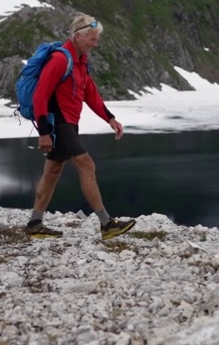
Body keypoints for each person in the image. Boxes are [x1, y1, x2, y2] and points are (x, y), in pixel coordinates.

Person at [26, 14, 136, 240]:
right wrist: (44, 133)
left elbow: (90, 94)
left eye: (96, 39)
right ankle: (107, 224)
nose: (96, 44)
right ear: (78, 36)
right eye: (92, 39)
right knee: (87, 165)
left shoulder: (81, 62)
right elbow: (40, 96)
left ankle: (35, 224)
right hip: (60, 123)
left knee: (52, 173)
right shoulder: (59, 60)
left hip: (69, 124)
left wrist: (110, 118)